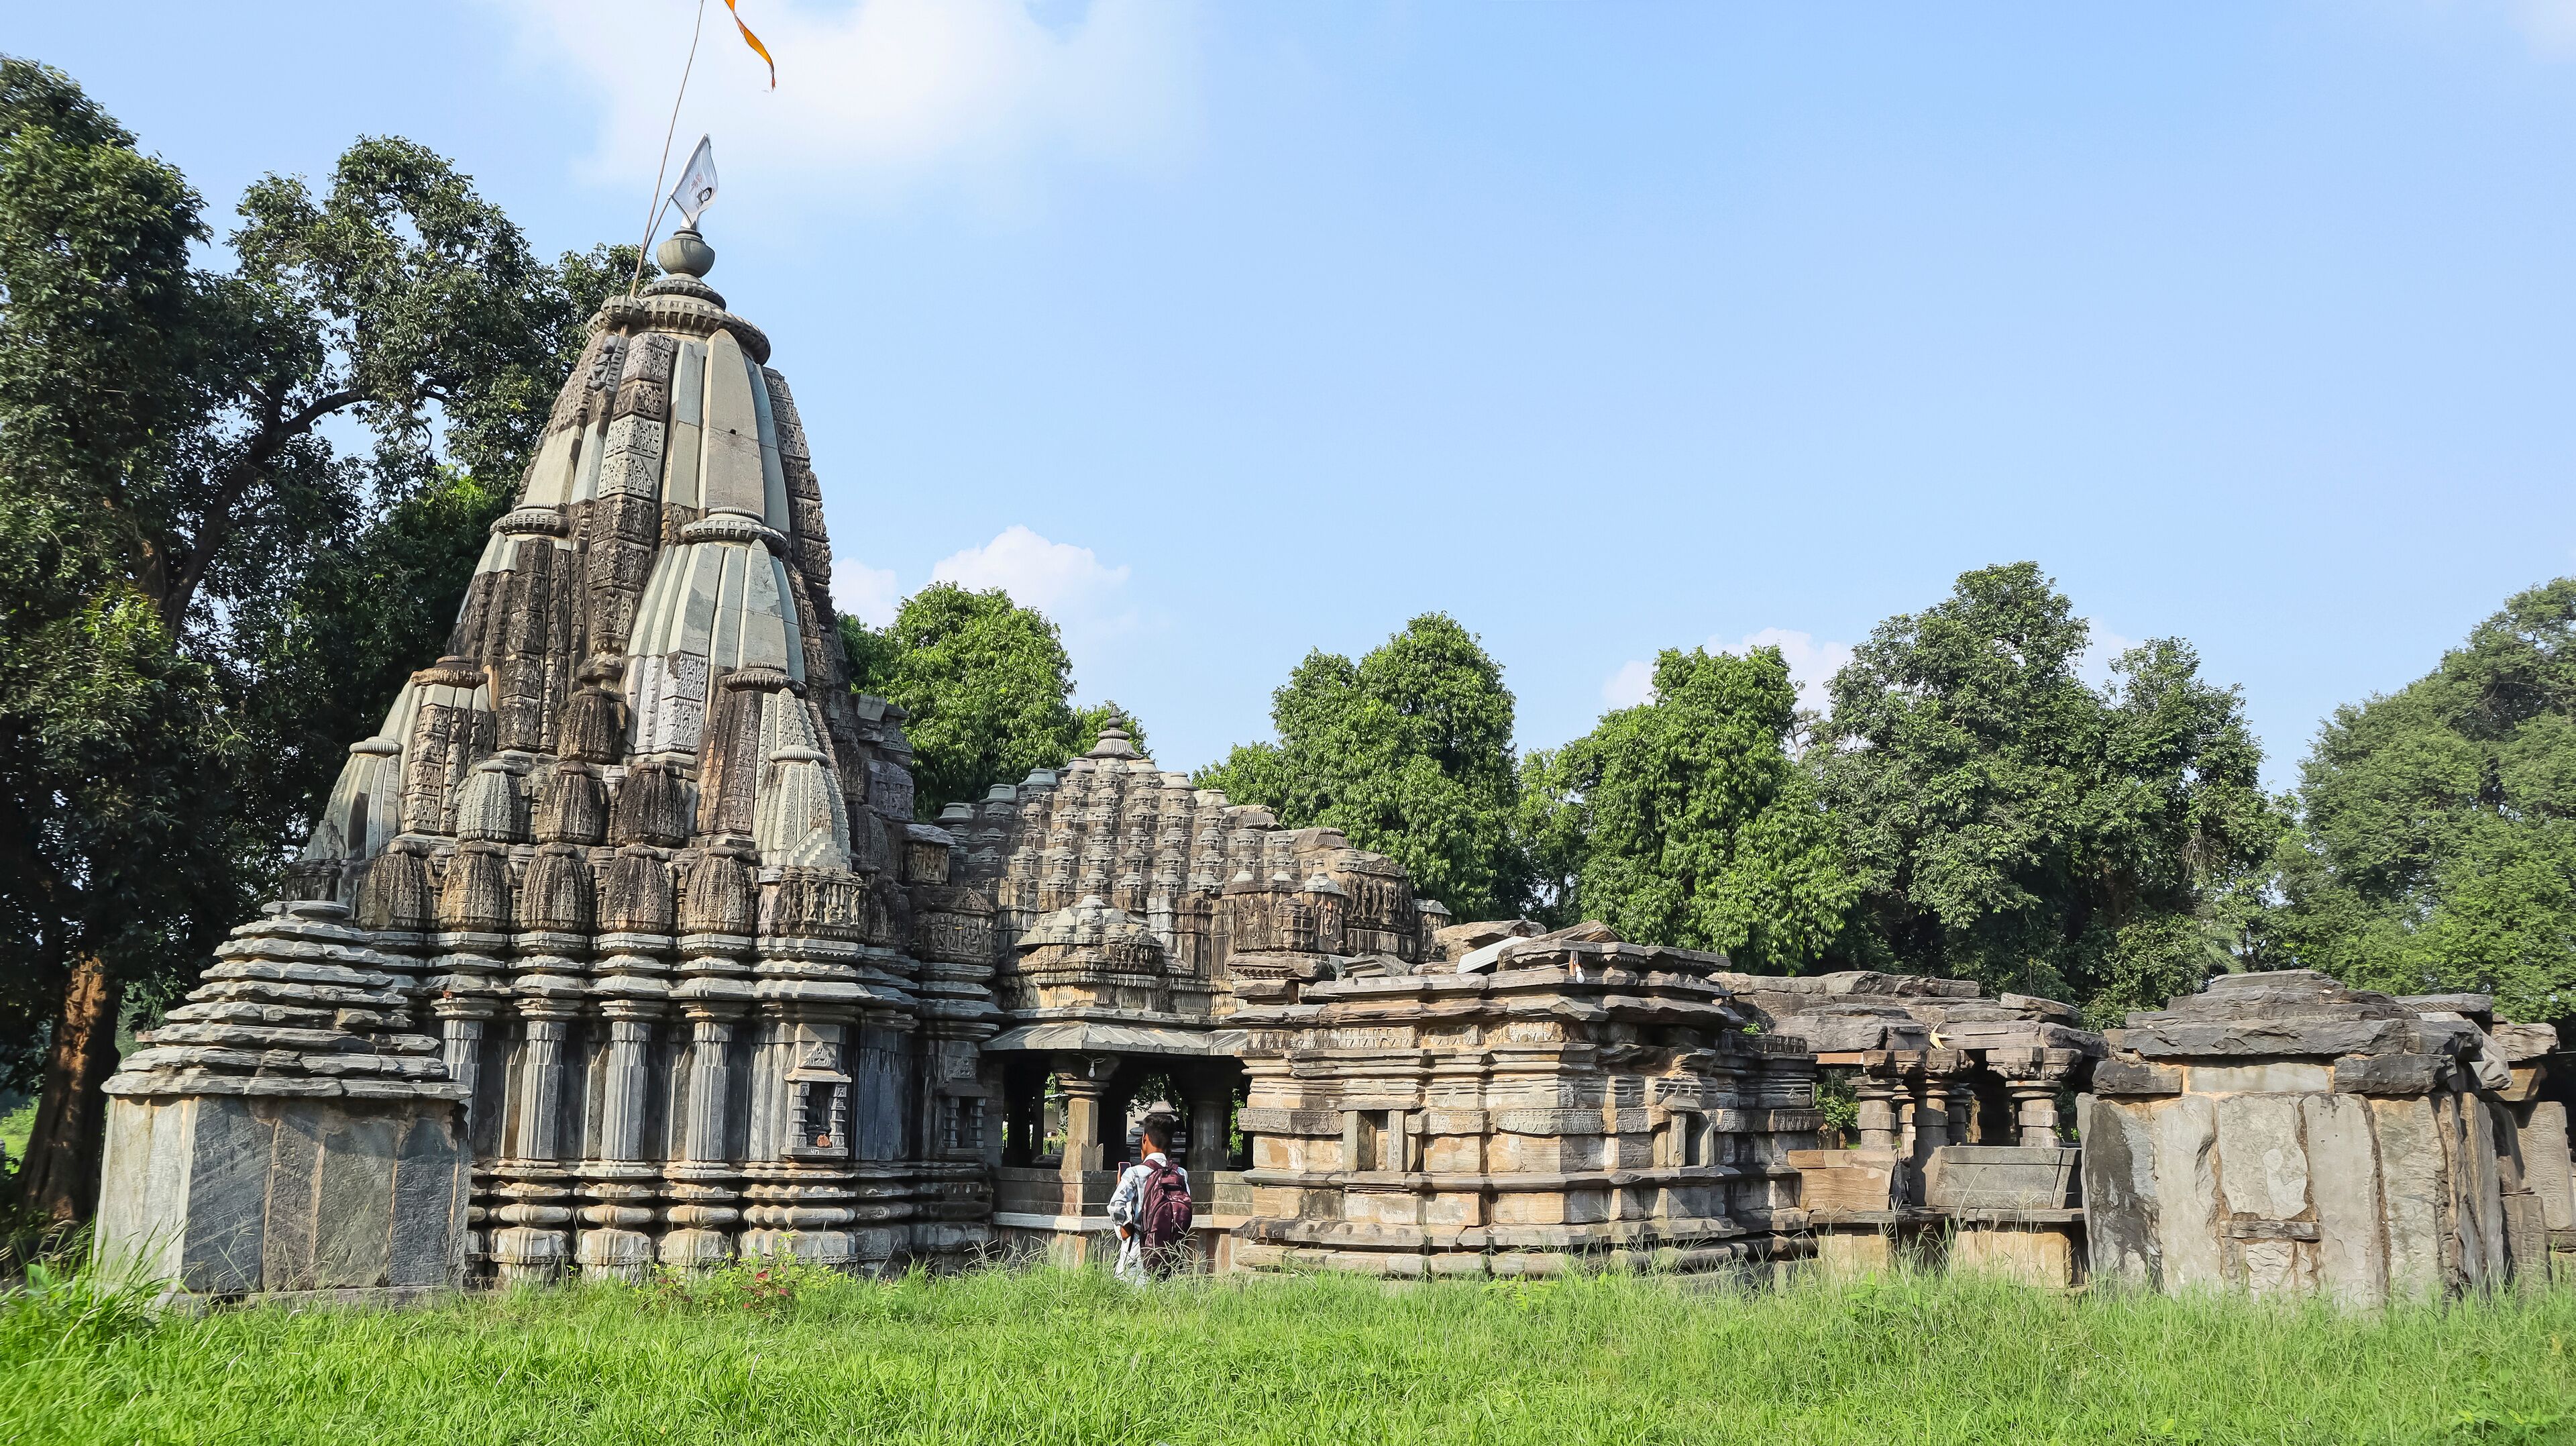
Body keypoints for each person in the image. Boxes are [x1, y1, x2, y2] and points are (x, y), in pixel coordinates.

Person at [1105, 1112, 1193, 1281]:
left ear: (1144, 1139)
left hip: (1139, 1252)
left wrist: (1126, 1227)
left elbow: (1115, 1205)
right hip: (1170, 1254)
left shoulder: (1134, 1173)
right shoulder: (1181, 1174)